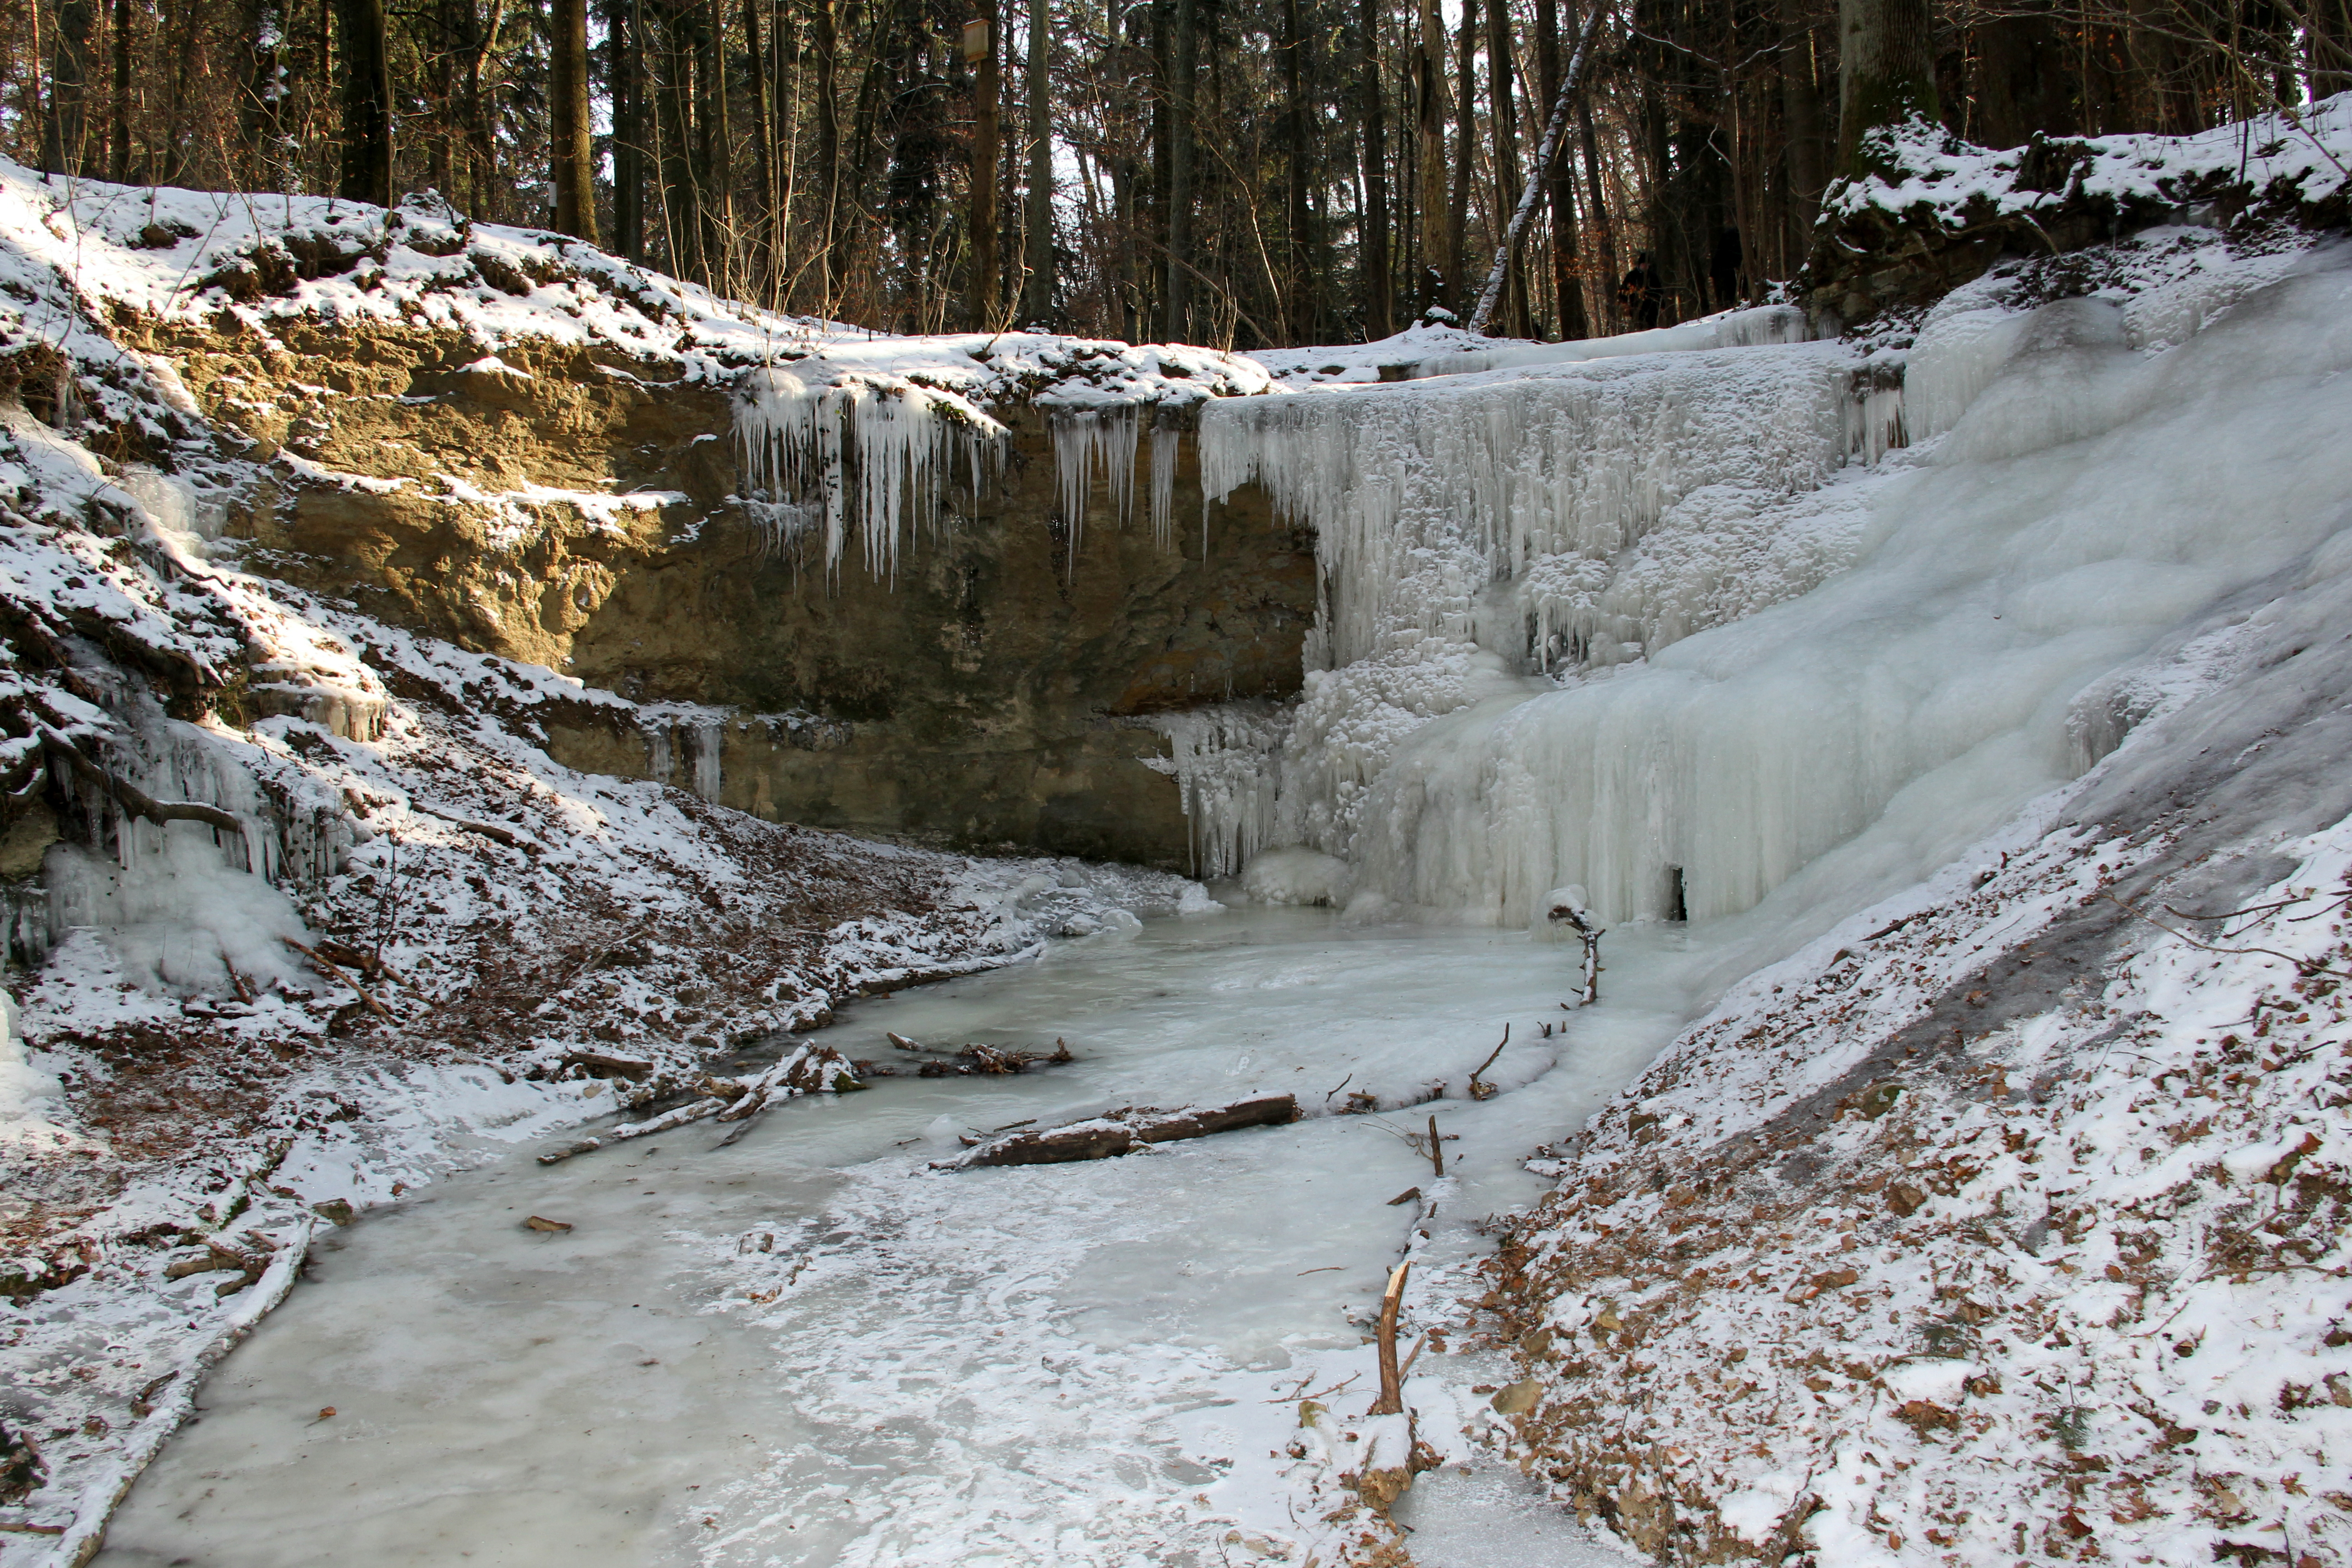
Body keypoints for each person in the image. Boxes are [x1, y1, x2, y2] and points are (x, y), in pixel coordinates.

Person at [1618, 252, 1661, 330]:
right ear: (1640, 264)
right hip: (1637, 306)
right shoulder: (1632, 276)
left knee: (1652, 327)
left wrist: (1661, 304)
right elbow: (1623, 291)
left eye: (1648, 265)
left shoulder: (1653, 276)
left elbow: (1659, 291)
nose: (1646, 266)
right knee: (1639, 328)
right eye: (1644, 264)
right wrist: (1625, 303)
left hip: (1652, 307)